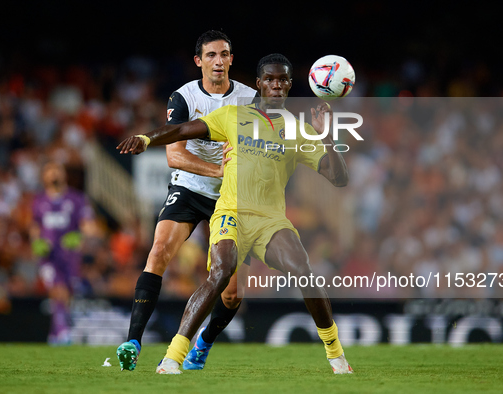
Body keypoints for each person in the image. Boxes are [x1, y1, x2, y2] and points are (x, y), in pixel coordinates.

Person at [117, 53, 353, 375]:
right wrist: (147, 138)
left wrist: (326, 134)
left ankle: (337, 357)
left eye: (282, 79)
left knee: (303, 272)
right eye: (269, 79)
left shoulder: (298, 130)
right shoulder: (232, 116)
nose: (276, 85)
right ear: (259, 84)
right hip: (230, 212)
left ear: (289, 85)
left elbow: (339, 178)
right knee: (222, 272)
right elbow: (183, 129)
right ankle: (174, 357)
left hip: (270, 220)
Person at [116, 30, 257, 371]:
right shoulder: (184, 97)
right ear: (199, 61)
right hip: (191, 187)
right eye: (211, 55)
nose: (219, 61)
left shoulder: (251, 99)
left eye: (224, 54)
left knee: (233, 292)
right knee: (159, 250)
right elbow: (174, 156)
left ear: (231, 59)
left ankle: (203, 343)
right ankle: (133, 342)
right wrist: (219, 169)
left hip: (232, 196)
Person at [31, 162, 94, 344]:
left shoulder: (76, 199)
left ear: (63, 174)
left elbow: (88, 225)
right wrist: (37, 243)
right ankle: (64, 331)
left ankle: (55, 334)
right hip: (49, 256)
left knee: (67, 293)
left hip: (70, 256)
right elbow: (35, 226)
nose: (54, 175)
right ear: (44, 177)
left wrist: (79, 237)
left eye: (57, 170)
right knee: (58, 290)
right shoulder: (39, 201)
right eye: (50, 171)